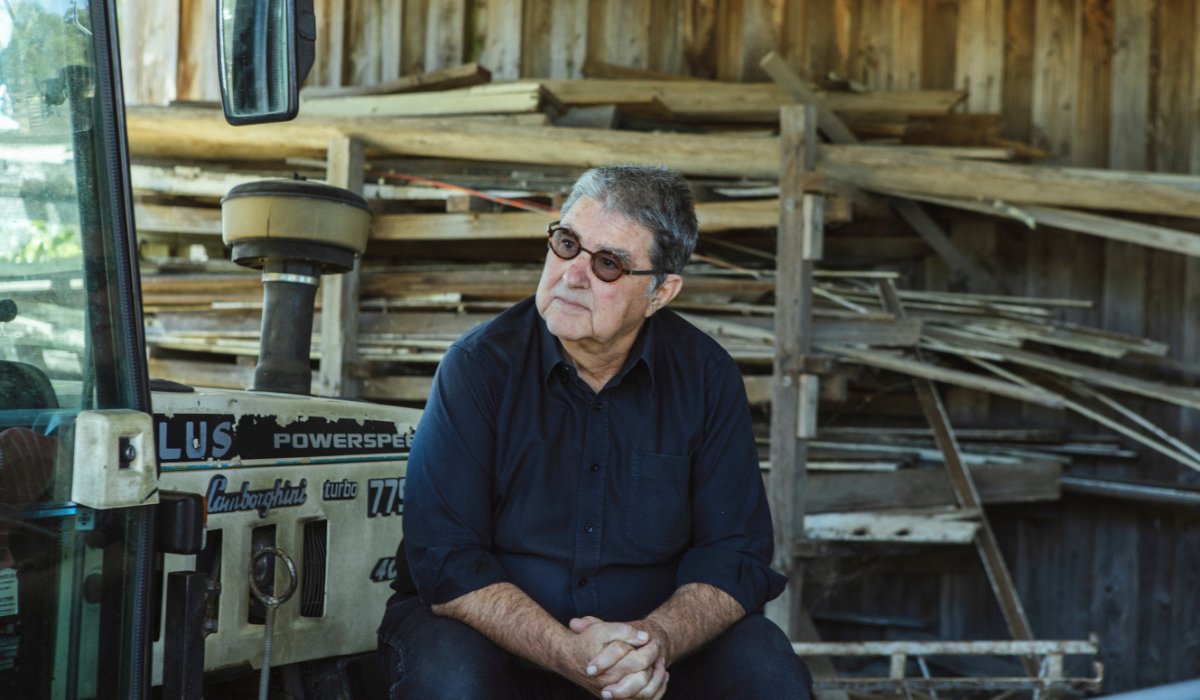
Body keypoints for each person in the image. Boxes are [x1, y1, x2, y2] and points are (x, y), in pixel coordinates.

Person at [378, 165, 812, 699]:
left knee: (767, 670)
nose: (572, 274)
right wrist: (568, 653)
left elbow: (735, 553)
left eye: (608, 264)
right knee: (451, 680)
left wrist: (656, 642)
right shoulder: (477, 367)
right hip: (492, 640)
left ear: (660, 292)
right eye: (566, 244)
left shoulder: (706, 376)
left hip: (651, 653)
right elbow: (445, 559)